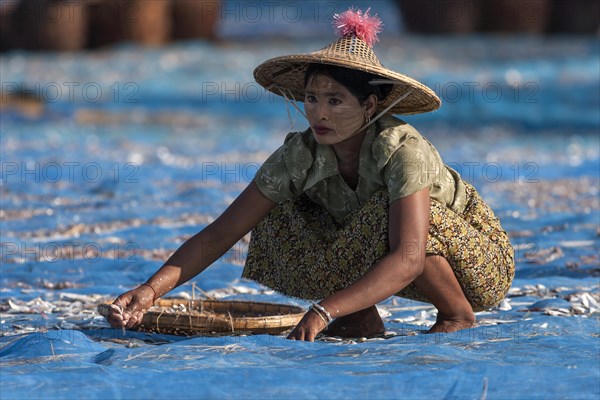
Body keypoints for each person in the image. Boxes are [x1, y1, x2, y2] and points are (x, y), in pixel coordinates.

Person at [105, 9, 515, 342]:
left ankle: (456, 315)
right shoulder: (299, 155)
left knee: (392, 216)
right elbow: (220, 234)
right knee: (282, 209)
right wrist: (151, 290)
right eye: (312, 98)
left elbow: (409, 257)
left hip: (476, 267)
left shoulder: (404, 150)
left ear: (370, 106)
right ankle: (362, 318)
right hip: (392, 258)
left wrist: (324, 310)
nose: (319, 113)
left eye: (336, 101)